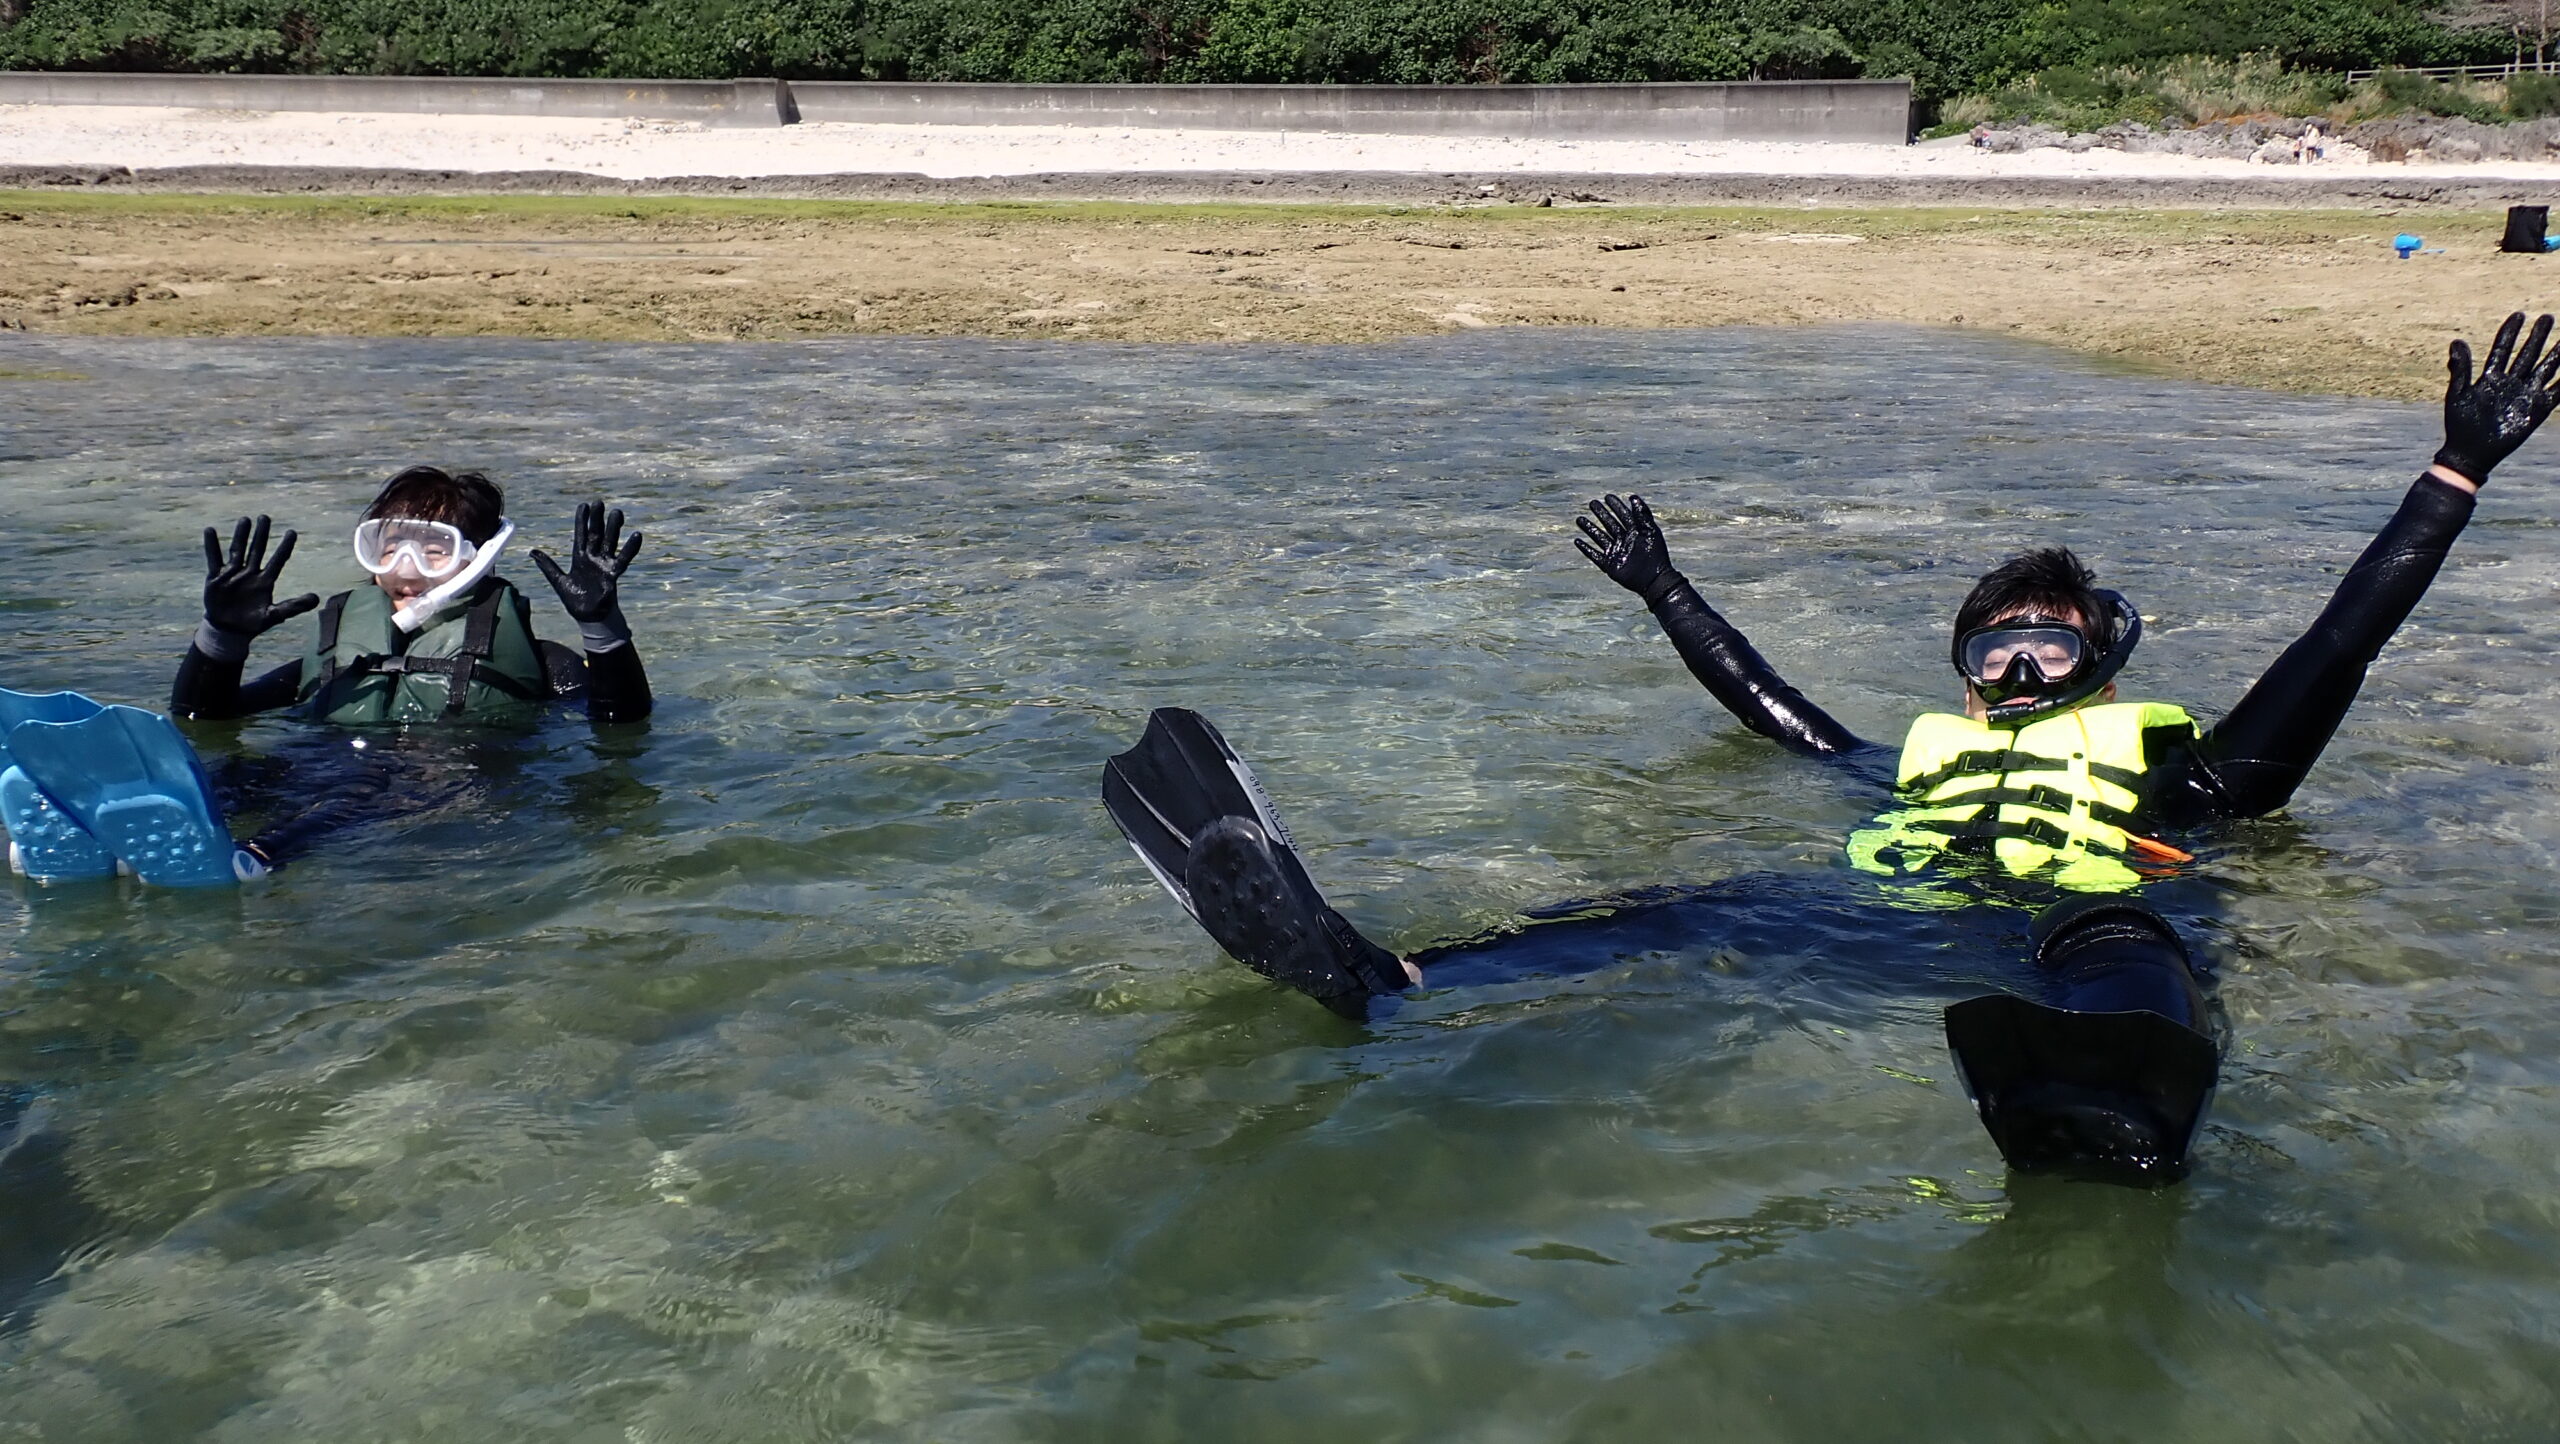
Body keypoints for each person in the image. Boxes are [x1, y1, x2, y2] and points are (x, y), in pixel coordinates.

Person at [1101, 310, 2560, 1185]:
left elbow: (2336, 645)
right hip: (1884, 925)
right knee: (1693, 910)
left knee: (2131, 949)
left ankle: (2114, 1094)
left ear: (2103, 660)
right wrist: (1667, 588)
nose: (2024, 661)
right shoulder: (1916, 763)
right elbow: (1774, 710)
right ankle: (1384, 974)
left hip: (2089, 927)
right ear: (1967, 672)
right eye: (1996, 643)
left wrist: (2453, 474)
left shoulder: (2192, 774)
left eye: (2055, 640)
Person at [0, 466, 651, 886]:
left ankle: (255, 858)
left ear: (477, 561)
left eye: (433, 549)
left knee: (354, 797)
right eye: (386, 545)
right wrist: (221, 638)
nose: (404, 567)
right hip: (320, 758)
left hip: (441, 782)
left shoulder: (539, 659)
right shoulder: (346, 649)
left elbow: (620, 724)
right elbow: (206, 717)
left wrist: (602, 626)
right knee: (235, 773)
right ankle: (92, 833)